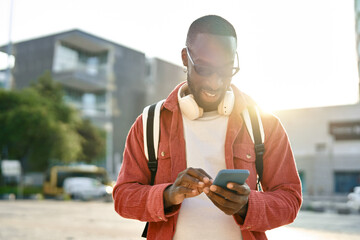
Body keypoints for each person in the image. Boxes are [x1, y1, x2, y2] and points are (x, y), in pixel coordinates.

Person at [113, 15, 302, 240]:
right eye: (204, 69)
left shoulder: (264, 124)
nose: (216, 83)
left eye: (226, 70)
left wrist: (248, 204)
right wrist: (168, 195)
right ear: (185, 58)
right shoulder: (149, 123)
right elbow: (123, 198)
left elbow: (290, 200)